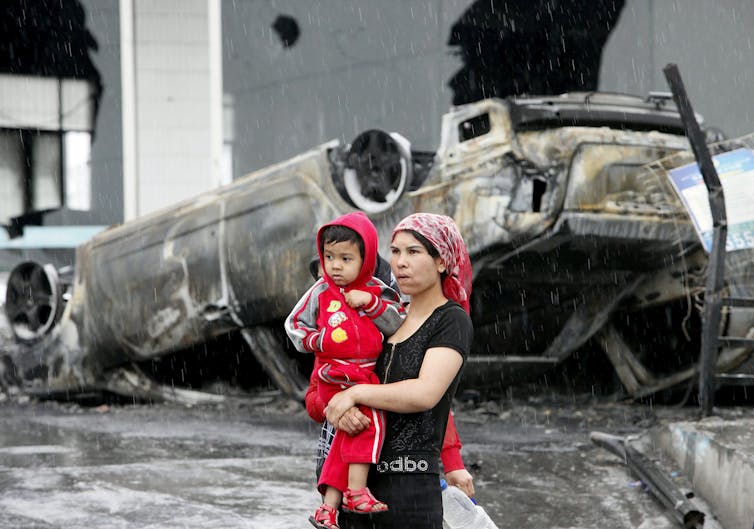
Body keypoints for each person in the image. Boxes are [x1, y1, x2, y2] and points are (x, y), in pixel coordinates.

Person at [324, 212, 474, 529]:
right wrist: (341, 409)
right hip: (359, 487)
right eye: (395, 251)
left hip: (412, 490)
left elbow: (426, 393)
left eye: (413, 252)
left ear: (442, 261)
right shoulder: (386, 319)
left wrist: (356, 394)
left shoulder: (451, 320)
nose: (400, 262)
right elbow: (340, 376)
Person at [285, 211, 405, 529]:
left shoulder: (377, 292)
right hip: (334, 376)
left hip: (364, 376)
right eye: (328, 258)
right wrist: (319, 339)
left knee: (345, 438)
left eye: (345, 258)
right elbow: (294, 326)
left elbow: (397, 320)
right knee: (369, 422)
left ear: (365, 260)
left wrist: (369, 302)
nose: (335, 266)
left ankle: (329, 507)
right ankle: (355, 491)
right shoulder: (321, 293)